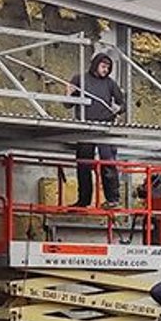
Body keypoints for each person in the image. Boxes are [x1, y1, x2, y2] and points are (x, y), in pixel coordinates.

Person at [69, 51, 125, 207]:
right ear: (95, 64)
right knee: (84, 164)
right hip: (85, 127)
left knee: (108, 162)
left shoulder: (110, 83)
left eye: (108, 67)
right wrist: (69, 93)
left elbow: (123, 104)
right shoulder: (80, 79)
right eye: (103, 66)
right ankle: (84, 200)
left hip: (104, 128)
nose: (106, 69)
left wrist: (118, 109)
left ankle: (113, 199)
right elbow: (67, 103)